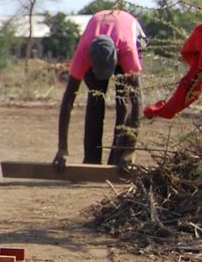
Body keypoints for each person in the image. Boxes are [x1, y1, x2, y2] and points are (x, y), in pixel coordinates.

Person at [53, 9, 146, 170]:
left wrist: (131, 150)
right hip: (97, 43)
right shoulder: (83, 53)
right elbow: (68, 100)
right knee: (95, 98)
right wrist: (62, 148)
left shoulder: (127, 51)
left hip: (130, 39)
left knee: (123, 100)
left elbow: (137, 101)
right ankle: (91, 159)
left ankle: (119, 156)